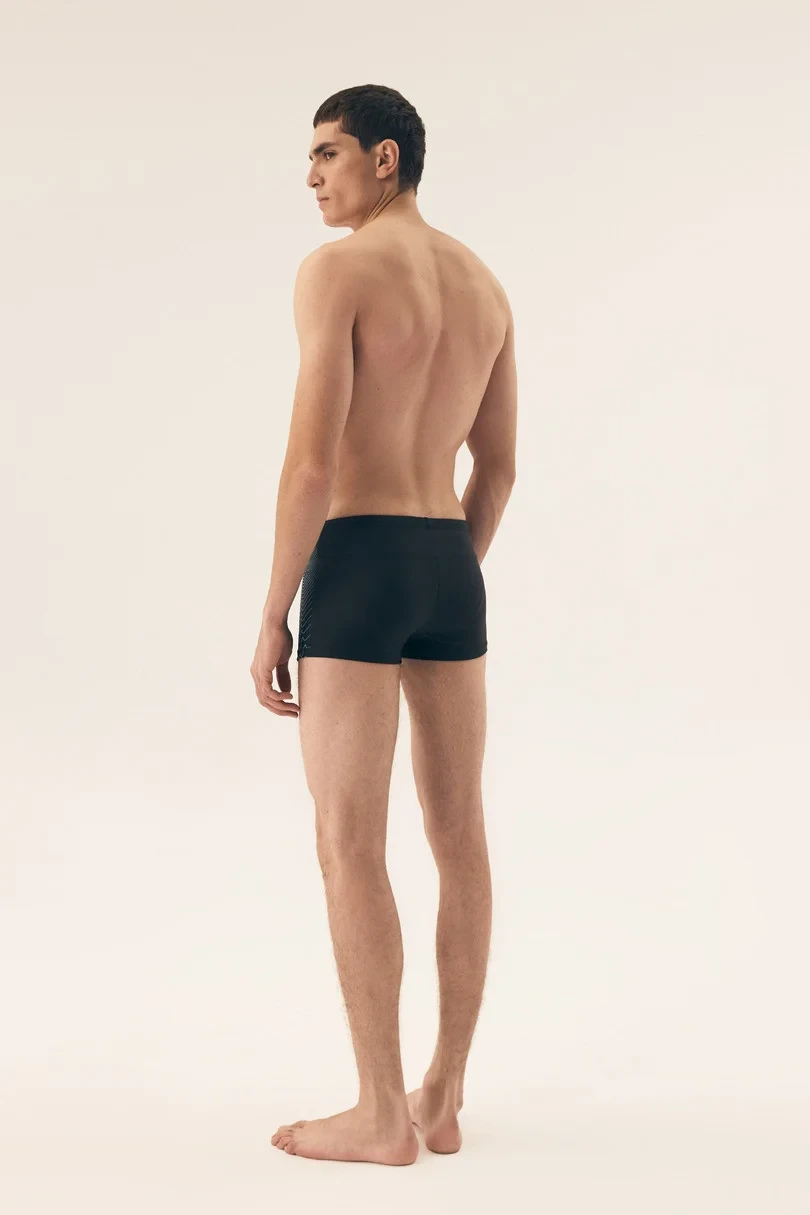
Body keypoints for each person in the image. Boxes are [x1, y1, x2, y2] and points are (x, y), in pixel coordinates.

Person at [250, 83, 517, 1165]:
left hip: (359, 562)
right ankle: (440, 1093)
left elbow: (312, 465)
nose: (313, 176)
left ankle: (378, 1112)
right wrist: (442, 573)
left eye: (328, 153)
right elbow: (498, 468)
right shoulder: (485, 286)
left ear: (386, 159)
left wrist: (276, 611)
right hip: (448, 565)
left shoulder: (338, 271)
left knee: (348, 840)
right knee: (461, 837)